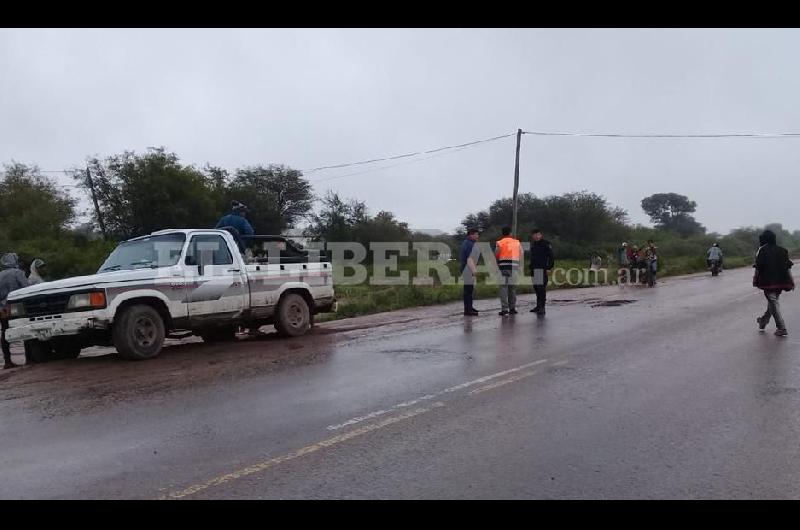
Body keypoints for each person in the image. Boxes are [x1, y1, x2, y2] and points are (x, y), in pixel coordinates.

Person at [754, 230, 794, 336]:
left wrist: (755, 278)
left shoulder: (762, 250)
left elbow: (758, 266)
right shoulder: (783, 250)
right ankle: (763, 321)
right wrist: (792, 280)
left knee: (773, 302)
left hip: (768, 281)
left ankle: (781, 328)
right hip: (781, 282)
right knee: (773, 303)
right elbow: (788, 267)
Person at [1, 253, 30, 369]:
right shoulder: (18, 273)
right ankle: (30, 358)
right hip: (18, 308)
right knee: (26, 330)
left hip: (3, 308)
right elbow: (26, 289)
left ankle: (7, 361)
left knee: (5, 332)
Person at [495, 226, 522, 316]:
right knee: (512, 289)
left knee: (503, 288)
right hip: (514, 267)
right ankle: (512, 308)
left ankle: (504, 309)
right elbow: (521, 254)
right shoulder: (517, 242)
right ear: (510, 233)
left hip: (503, 267)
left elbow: (497, 254)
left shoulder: (499, 242)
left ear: (502, 234)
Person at [529, 229, 554, 315]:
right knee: (536, 288)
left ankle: (542, 307)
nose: (536, 236)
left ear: (541, 235)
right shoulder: (533, 245)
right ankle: (538, 306)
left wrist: (549, 268)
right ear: (532, 236)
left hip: (542, 269)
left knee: (541, 288)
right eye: (535, 235)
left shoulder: (545, 244)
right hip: (534, 269)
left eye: (538, 234)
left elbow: (551, 256)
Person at [460, 228, 480, 316]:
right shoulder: (469, 244)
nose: (477, 236)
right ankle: (468, 310)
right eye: (476, 234)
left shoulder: (467, 242)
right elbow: (469, 258)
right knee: (468, 290)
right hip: (468, 269)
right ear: (471, 234)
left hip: (466, 269)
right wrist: (474, 270)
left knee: (469, 290)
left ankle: (469, 307)